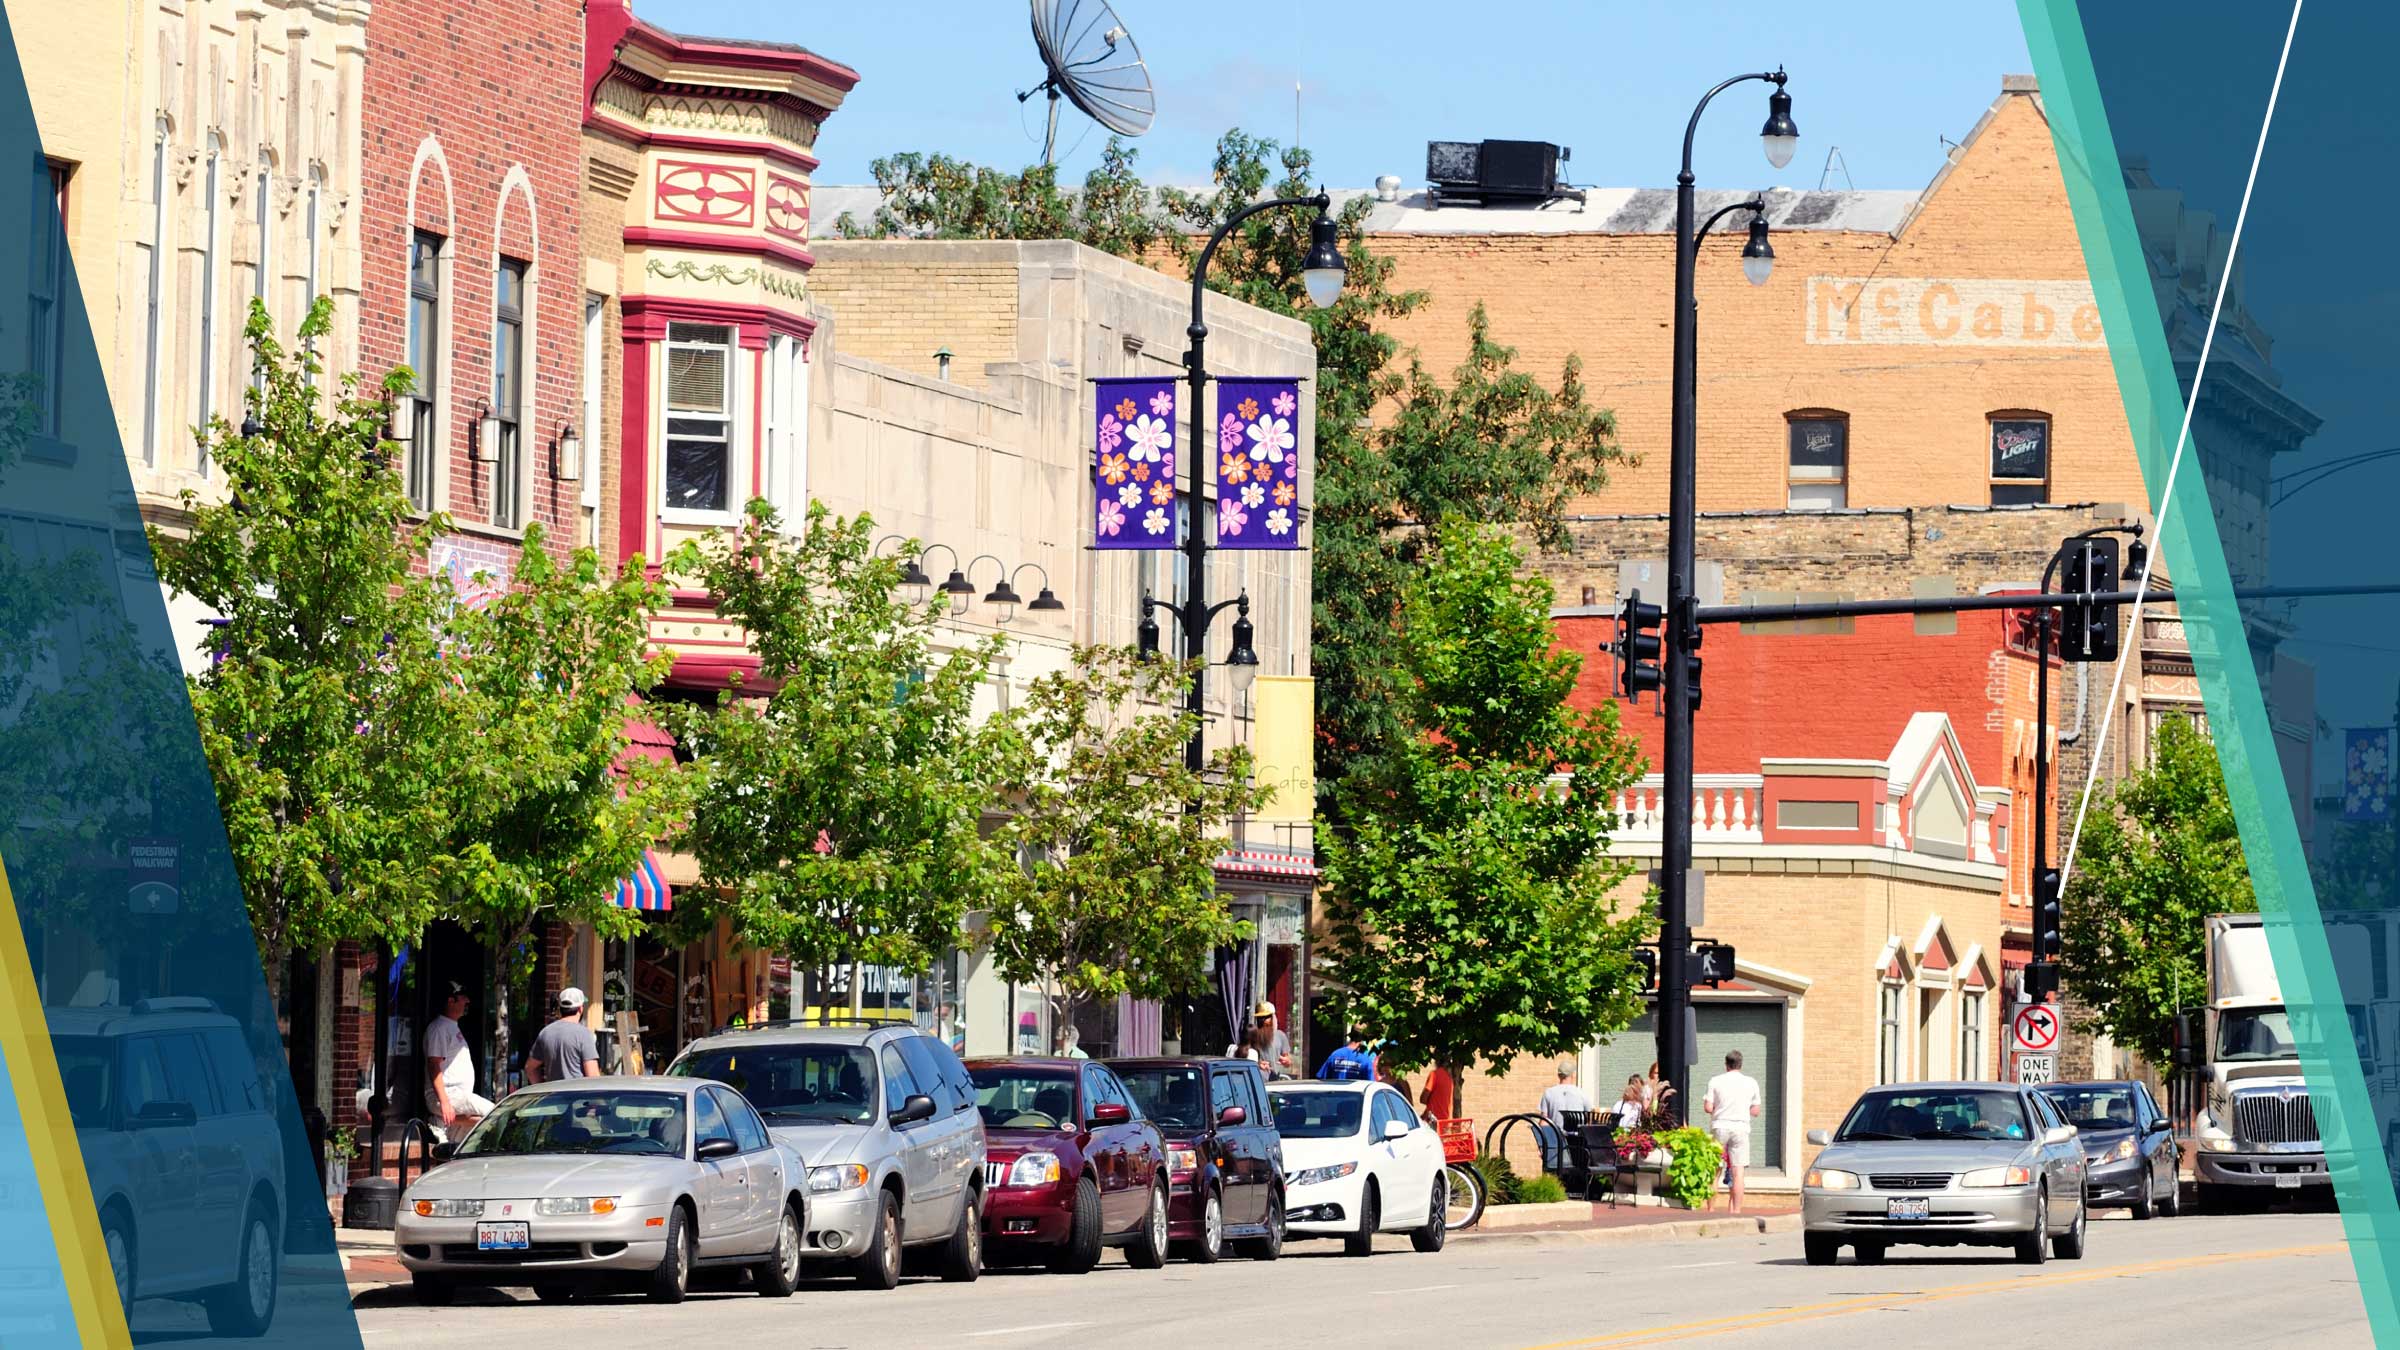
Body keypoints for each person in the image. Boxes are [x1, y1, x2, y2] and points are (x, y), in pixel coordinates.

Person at [424, 984, 494, 1138]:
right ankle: (440, 1120)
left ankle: (443, 1121)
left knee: (457, 1147)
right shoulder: (439, 1028)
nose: (467, 1001)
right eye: (463, 997)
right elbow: (434, 1065)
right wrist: (444, 1102)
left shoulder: (451, 1026)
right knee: (495, 1113)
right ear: (451, 1000)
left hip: (457, 1097)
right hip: (447, 1095)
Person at [1700, 1049, 1763, 1214]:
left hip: (1720, 1125)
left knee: (1714, 1170)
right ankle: (1736, 1210)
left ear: (1726, 1064)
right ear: (1740, 1064)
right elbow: (1756, 1111)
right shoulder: (1751, 1082)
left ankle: (1711, 1208)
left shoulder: (1715, 1081)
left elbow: (1708, 1107)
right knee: (1738, 1172)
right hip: (1741, 1127)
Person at [524, 987, 600, 1084]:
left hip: (554, 1097)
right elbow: (593, 1077)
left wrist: (541, 1090)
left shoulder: (546, 1032)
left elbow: (530, 1068)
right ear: (580, 1009)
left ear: (560, 1009)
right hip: (577, 1097)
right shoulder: (584, 1035)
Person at [1233, 1002, 1296, 1079]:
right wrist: (1257, 1064)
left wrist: (1287, 1062)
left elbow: (1287, 1060)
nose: (1263, 1021)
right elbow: (1242, 1056)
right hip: (1256, 1079)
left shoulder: (1280, 1035)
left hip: (1275, 1081)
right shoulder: (1253, 1034)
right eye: (1260, 1018)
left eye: (1267, 1017)